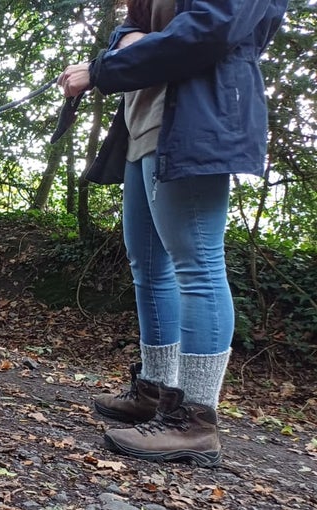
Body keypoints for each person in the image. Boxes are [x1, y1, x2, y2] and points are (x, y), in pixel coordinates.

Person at [58, 0, 288, 467]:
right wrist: (126, 43)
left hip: (194, 122)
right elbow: (131, 28)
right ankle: (157, 390)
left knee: (196, 262)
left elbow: (211, 29)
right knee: (148, 264)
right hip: (144, 125)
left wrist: (105, 68)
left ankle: (195, 420)